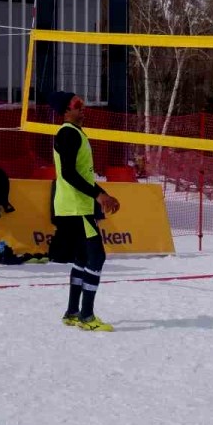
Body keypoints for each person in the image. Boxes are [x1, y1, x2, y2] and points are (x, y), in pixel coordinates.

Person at [50, 91, 121, 332]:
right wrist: (99, 195)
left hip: (74, 206)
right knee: (96, 257)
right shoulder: (68, 133)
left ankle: (72, 312)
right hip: (76, 208)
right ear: (66, 111)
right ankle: (87, 316)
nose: (83, 108)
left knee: (82, 259)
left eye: (83, 104)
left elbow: (81, 175)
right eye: (77, 105)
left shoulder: (73, 133)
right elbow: (69, 174)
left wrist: (103, 194)